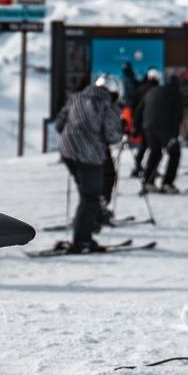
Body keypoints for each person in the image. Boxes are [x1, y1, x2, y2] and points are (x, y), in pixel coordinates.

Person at [55, 76, 124, 251]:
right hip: (90, 154)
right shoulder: (108, 105)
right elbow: (112, 135)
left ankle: (89, 220)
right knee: (91, 196)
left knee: (86, 194)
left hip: (68, 150)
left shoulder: (76, 97)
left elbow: (59, 124)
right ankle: (83, 238)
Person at [139, 72, 186, 193]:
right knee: (174, 153)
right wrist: (174, 136)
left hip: (148, 126)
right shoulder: (176, 94)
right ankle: (167, 183)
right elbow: (177, 115)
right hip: (164, 128)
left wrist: (138, 127)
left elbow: (140, 109)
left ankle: (148, 181)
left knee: (155, 152)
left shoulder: (153, 91)